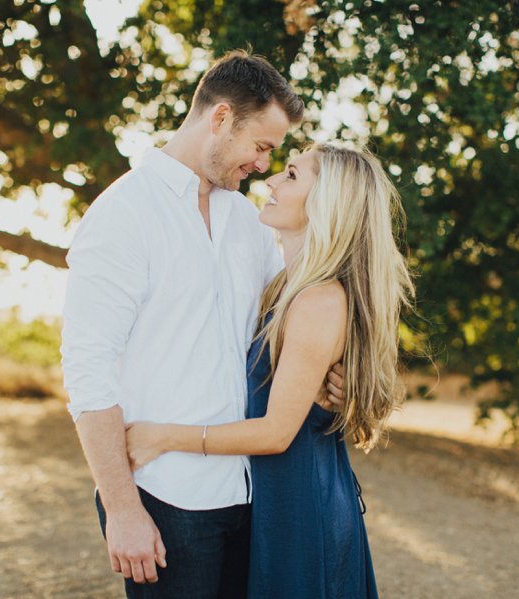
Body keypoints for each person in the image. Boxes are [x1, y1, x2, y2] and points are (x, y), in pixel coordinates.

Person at [60, 50, 345, 598]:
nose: (264, 165)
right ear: (219, 119)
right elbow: (87, 371)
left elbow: (289, 323)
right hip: (168, 498)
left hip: (251, 492)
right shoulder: (124, 214)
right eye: (261, 147)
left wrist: (334, 377)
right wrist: (122, 509)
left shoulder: (249, 219)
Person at [125, 143, 416, 598]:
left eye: (293, 176)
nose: (272, 181)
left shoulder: (319, 300)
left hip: (302, 512)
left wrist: (162, 436)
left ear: (327, 204)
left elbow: (275, 433)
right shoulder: (285, 285)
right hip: (280, 504)